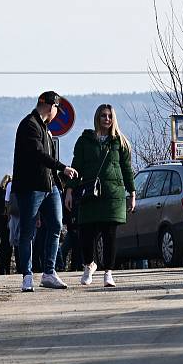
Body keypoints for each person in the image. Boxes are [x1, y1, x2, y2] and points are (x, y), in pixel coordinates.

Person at [11, 90, 78, 292]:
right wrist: (62, 167)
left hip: (50, 187)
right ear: (52, 107)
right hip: (31, 188)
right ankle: (27, 276)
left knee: (56, 225)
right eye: (57, 109)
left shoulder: (46, 129)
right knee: (27, 232)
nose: (57, 113)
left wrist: (59, 182)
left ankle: (49, 273)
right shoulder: (29, 125)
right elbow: (38, 154)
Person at [65, 103, 136, 287]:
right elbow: (76, 167)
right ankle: (89, 265)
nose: (107, 119)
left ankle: (108, 273)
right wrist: (70, 191)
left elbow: (127, 169)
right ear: (97, 117)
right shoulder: (84, 141)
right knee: (85, 233)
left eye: (110, 116)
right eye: (103, 115)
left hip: (113, 195)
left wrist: (133, 192)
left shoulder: (120, 142)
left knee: (109, 234)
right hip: (90, 194)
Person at [0, 174, 13, 275]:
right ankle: (7, 269)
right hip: (6, 221)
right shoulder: (9, 192)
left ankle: (2, 269)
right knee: (9, 246)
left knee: (2, 246)